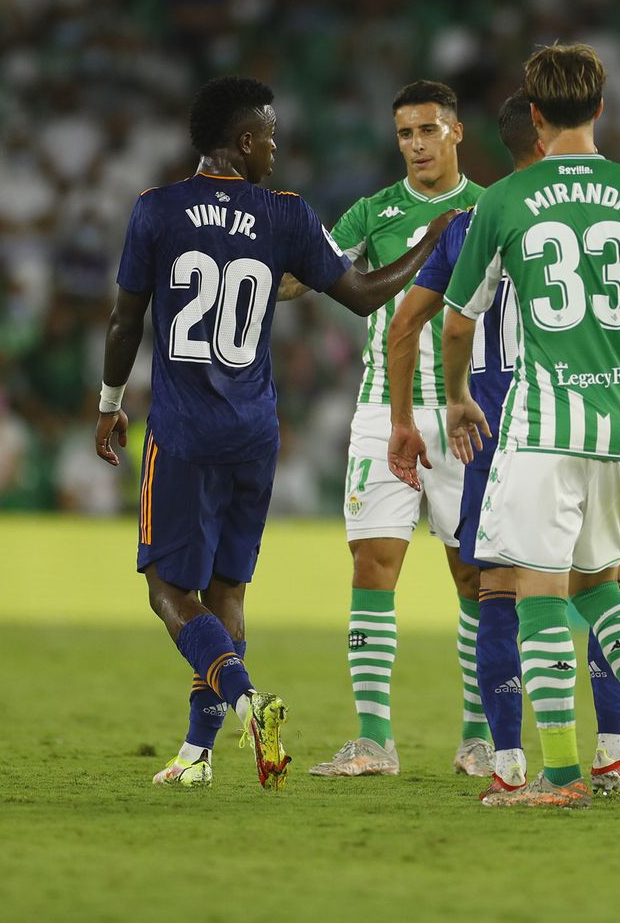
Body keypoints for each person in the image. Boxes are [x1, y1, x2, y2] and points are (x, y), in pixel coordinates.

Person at [95, 75, 444, 789]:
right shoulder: (284, 215)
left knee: (167, 590)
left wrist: (108, 402)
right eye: (271, 136)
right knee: (227, 589)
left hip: (183, 429)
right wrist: (433, 243)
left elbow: (126, 318)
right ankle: (197, 754)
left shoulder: (156, 211)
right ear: (244, 140)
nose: (277, 149)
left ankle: (246, 697)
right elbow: (364, 294)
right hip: (254, 430)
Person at [441, 43, 620, 809]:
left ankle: (557, 777)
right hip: (618, 427)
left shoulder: (507, 200)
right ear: (602, 110)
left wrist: (456, 397)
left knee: (540, 593)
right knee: (603, 587)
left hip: (543, 426)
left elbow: (458, 323)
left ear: (538, 117)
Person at [384, 91, 620, 799]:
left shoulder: (472, 221)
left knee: (497, 589)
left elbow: (410, 324)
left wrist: (413, 413)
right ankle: (617, 750)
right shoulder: (611, 207)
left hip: (495, 428)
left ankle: (508, 763)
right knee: (603, 579)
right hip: (586, 418)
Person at [296, 81, 493, 779]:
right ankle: (375, 739)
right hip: (384, 410)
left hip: (467, 410)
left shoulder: (488, 209)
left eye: (428, 130)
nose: (416, 144)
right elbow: (303, 276)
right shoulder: (374, 211)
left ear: (457, 132)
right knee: (373, 566)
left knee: (474, 576)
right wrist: (275, 255)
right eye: (405, 132)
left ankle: (479, 736)